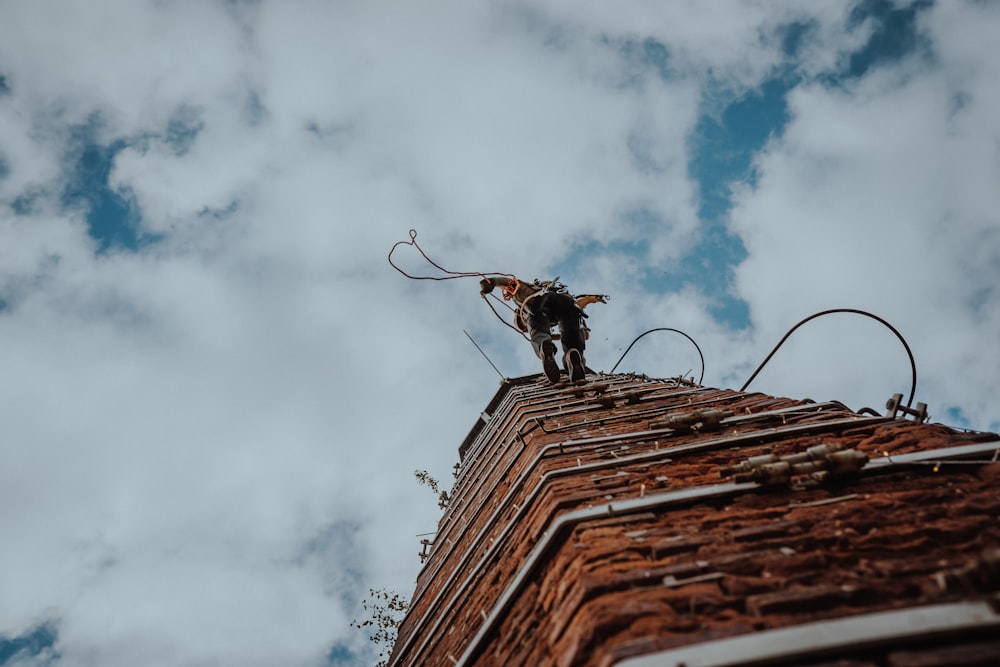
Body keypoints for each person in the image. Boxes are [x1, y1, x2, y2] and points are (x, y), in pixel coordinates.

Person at [479, 276, 607, 383]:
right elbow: (578, 305)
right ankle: (572, 355)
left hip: (539, 305)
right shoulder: (553, 292)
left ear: (520, 315)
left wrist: (491, 282)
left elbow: (509, 283)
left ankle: (544, 348)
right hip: (567, 304)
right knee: (571, 333)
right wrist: (592, 299)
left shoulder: (526, 296)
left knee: (538, 332)